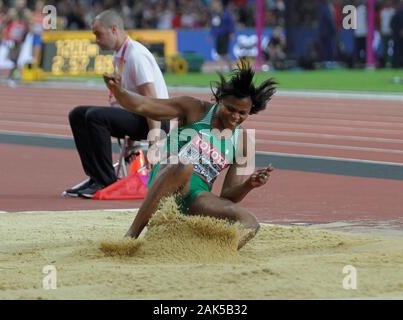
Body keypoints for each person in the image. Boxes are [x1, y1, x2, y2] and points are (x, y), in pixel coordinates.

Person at [103, 60, 277, 249]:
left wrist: (249, 185)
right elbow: (145, 105)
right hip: (167, 177)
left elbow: (228, 195)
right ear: (219, 100)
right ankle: (131, 236)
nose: (235, 117)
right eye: (230, 109)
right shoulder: (194, 109)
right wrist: (119, 91)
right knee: (183, 165)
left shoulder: (243, 141)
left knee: (250, 223)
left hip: (196, 196)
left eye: (242, 113)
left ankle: (206, 253)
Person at [65, 10, 170, 198]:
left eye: (99, 34)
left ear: (114, 30)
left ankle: (106, 181)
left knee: (95, 117)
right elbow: (129, 101)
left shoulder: (136, 56)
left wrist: (155, 143)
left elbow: (152, 101)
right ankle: (96, 177)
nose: (96, 39)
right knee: (77, 114)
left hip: (156, 119)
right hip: (139, 115)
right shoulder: (119, 56)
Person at [210, 0, 235, 71]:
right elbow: (213, 26)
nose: (214, 6)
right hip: (218, 36)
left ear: (220, 5)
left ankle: (226, 68)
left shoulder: (226, 13)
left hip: (225, 35)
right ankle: (225, 69)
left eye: (215, 4)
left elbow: (231, 24)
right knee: (220, 53)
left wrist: (231, 33)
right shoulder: (215, 15)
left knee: (224, 54)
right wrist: (211, 35)